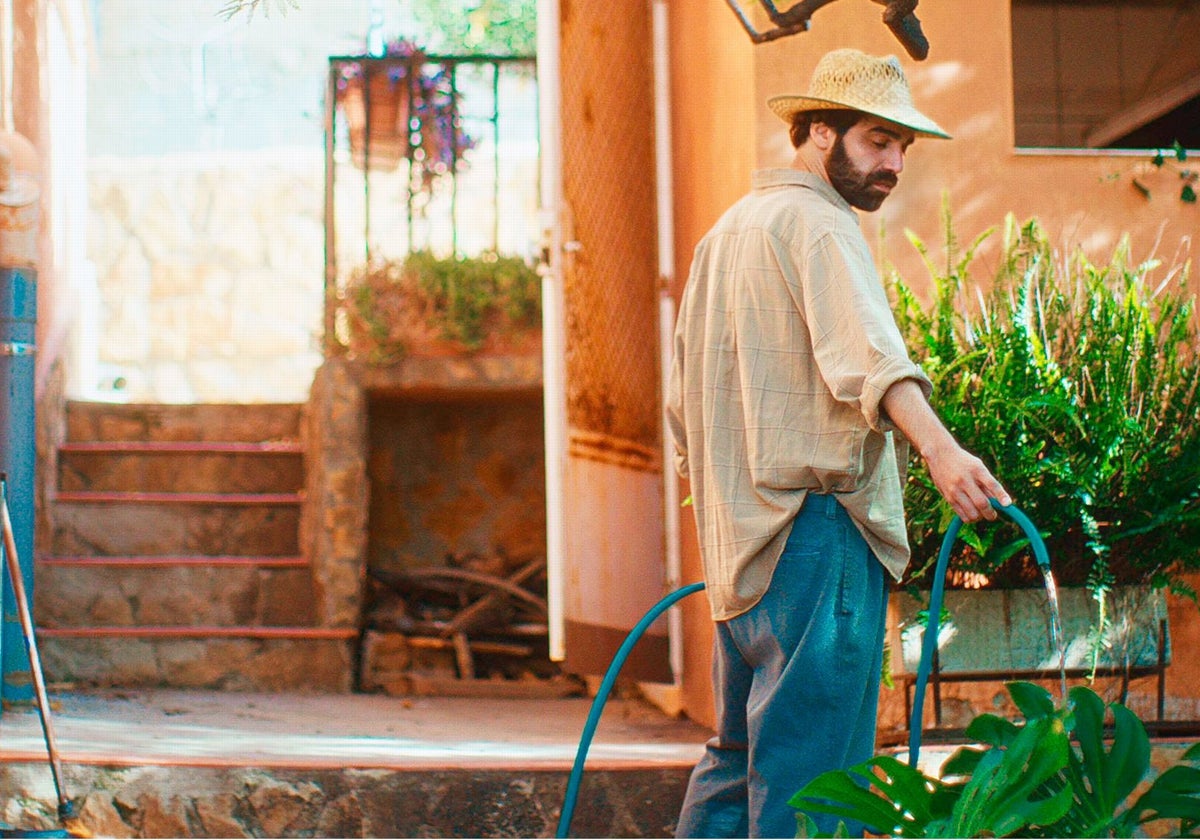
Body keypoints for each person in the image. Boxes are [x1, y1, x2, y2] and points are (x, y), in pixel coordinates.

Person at [665, 48, 1011, 838]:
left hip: (739, 543)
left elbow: (682, 403)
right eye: (877, 140)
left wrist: (725, 516)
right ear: (820, 132)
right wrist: (941, 451)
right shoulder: (820, 225)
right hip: (817, 539)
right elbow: (874, 361)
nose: (893, 164)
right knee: (819, 783)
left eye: (902, 148)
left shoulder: (725, 234)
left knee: (733, 761)